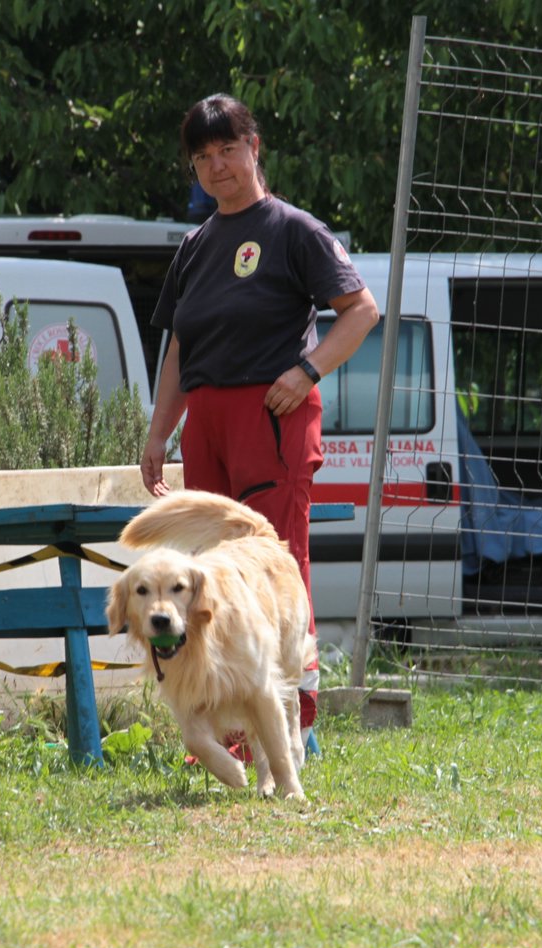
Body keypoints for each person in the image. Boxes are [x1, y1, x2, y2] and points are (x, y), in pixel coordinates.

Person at [142, 93, 380, 746]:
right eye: (202, 157)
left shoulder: (291, 230)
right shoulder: (193, 246)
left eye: (227, 149)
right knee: (212, 580)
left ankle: (292, 731)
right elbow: (179, 349)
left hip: (272, 415)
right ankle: (227, 733)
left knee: (277, 573)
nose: (217, 166)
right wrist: (160, 430)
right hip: (206, 423)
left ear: (255, 147)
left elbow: (362, 311)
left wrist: (308, 370)